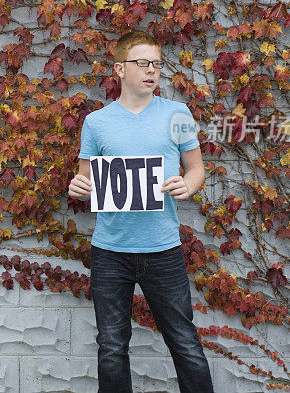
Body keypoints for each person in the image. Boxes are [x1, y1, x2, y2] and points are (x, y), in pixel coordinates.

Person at [68, 30, 214, 393]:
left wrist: (188, 184)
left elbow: (196, 169)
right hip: (110, 251)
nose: (152, 71)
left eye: (157, 64)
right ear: (119, 69)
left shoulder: (177, 114)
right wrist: (78, 186)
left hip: (162, 248)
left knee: (184, 342)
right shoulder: (97, 122)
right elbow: (85, 180)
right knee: (112, 347)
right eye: (143, 63)